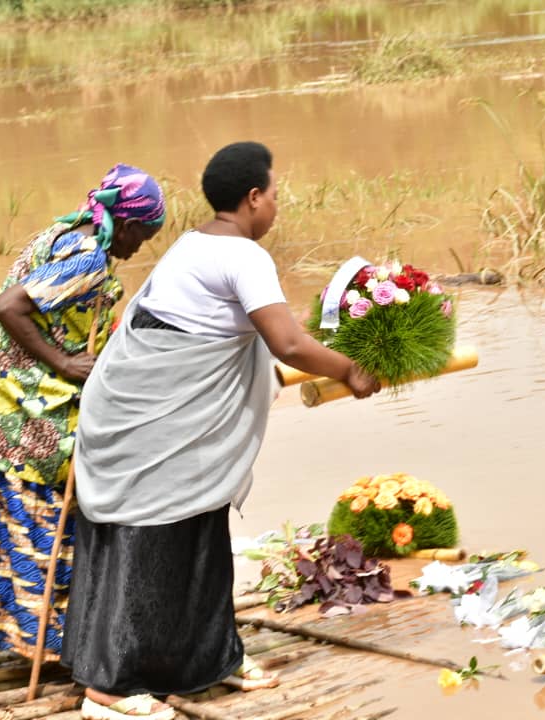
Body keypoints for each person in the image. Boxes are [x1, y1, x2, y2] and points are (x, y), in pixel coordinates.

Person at [61, 142, 381, 720]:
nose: (277, 207)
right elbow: (286, 342)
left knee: (200, 536)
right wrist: (350, 369)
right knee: (151, 542)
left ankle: (209, 662)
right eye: (275, 196)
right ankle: (110, 686)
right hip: (156, 423)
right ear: (253, 198)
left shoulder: (195, 241)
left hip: (170, 420)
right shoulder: (243, 256)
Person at [0, 164, 166, 662]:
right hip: (18, 411)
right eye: (144, 235)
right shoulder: (87, 258)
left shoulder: (65, 230)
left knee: (3, 520)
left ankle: (13, 631)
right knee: (40, 523)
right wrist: (65, 361)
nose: (140, 248)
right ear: (130, 223)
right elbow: (10, 306)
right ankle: (47, 645)